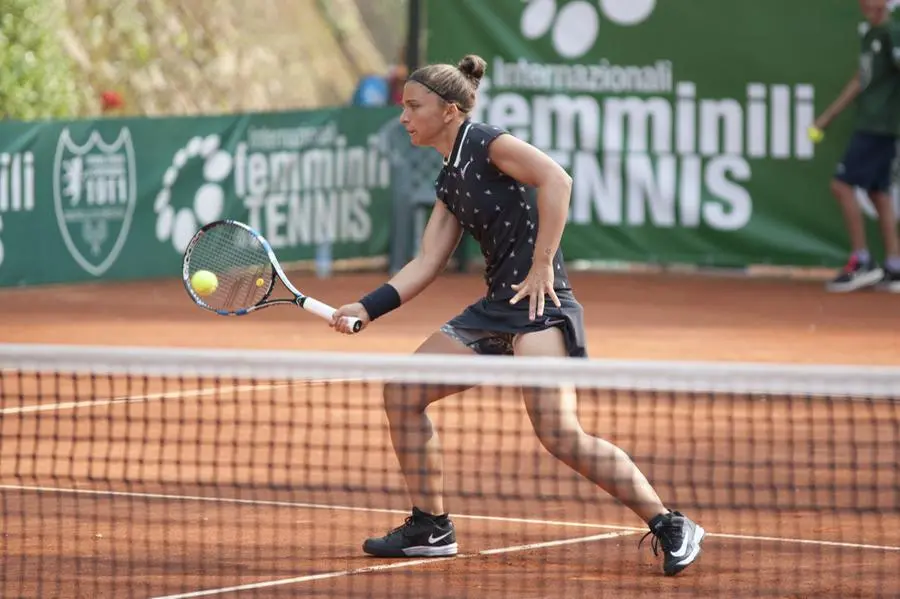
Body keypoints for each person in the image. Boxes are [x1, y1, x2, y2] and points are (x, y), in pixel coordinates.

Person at [329, 54, 705, 576]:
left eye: (414, 106)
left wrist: (543, 264)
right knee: (403, 391)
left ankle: (669, 523)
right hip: (493, 311)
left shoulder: (486, 142)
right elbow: (426, 263)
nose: (404, 117)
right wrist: (368, 308)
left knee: (560, 435)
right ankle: (431, 526)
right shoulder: (449, 178)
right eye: (403, 107)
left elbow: (558, 180)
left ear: (451, 110)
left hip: (538, 304)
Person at [812, 0, 900, 293]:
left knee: (841, 185)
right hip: (871, 124)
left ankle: (862, 262)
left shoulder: (891, 33)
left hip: (880, 126)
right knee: (879, 193)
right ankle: (895, 266)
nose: (865, 2)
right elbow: (861, 79)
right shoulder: (871, 35)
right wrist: (828, 116)